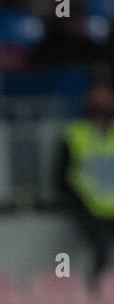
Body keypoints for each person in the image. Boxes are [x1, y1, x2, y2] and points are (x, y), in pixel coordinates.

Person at [56, 80, 114, 290]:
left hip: (110, 206)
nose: (101, 103)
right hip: (87, 207)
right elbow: (61, 177)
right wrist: (75, 202)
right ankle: (93, 299)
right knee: (99, 254)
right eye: (96, 98)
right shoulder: (75, 133)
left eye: (105, 97)